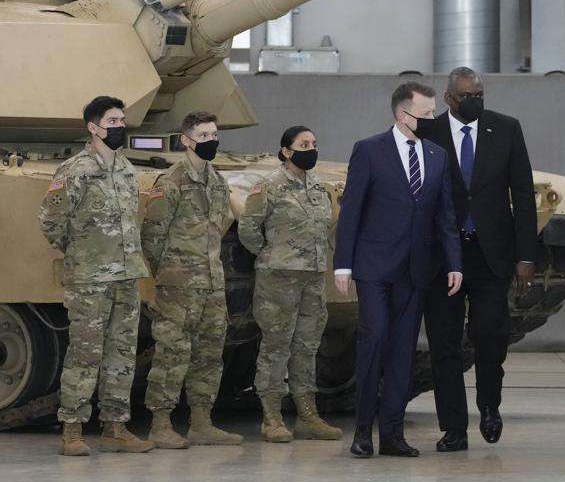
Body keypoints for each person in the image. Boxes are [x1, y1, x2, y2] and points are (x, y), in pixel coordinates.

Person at [333, 82, 462, 458]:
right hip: (374, 267)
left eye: (433, 112)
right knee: (374, 340)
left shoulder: (437, 155)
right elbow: (351, 211)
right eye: (425, 114)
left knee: (403, 351)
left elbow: (445, 215)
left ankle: (392, 434)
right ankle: (362, 432)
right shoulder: (369, 150)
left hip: (416, 270)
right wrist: (343, 265)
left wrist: (454, 263)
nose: (432, 119)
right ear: (402, 114)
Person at [421, 67, 537, 452]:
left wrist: (526, 255)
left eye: (480, 95)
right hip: (443, 258)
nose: (475, 101)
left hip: (491, 255)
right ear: (449, 98)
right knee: (444, 345)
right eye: (467, 96)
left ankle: (489, 405)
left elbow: (523, 195)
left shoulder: (506, 128)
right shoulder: (429, 132)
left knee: (490, 336)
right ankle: (454, 427)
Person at [38, 96, 154, 456]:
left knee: (122, 352)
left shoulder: (126, 168)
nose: (119, 126)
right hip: (89, 279)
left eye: (122, 120)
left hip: (126, 276)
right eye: (112, 121)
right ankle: (72, 429)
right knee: (85, 353)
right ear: (93, 127)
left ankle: (115, 427)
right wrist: (83, 255)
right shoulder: (75, 170)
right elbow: (51, 222)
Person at [142, 111, 243, 448]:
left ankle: (201, 423)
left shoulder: (217, 181)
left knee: (209, 354)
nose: (211, 141)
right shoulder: (172, 181)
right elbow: (152, 236)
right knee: (172, 353)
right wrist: (171, 273)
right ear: (186, 140)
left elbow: (221, 226)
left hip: (212, 283)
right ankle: (160, 424)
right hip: (179, 285)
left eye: (214, 135)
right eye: (203, 136)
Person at [237, 125, 343, 443]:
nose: (311, 149)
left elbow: (325, 228)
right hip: (278, 278)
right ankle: (271, 417)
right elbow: (248, 228)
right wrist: (271, 255)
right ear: (286, 151)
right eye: (303, 144)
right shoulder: (269, 186)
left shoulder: (319, 187)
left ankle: (308, 415)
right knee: (276, 346)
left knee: (307, 346)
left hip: (313, 277)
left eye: (314, 143)